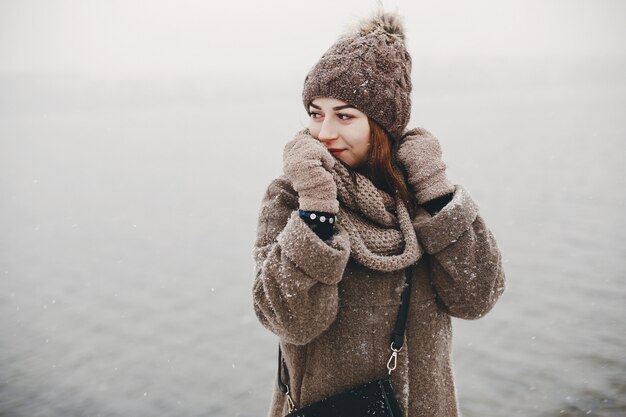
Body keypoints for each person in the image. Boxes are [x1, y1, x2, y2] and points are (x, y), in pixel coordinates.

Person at [251, 10, 506, 417]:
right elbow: (289, 320)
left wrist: (437, 194)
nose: (324, 133)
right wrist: (316, 210)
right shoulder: (290, 195)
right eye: (316, 113)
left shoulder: (421, 193)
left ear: (383, 125)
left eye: (344, 115)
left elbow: (477, 296)